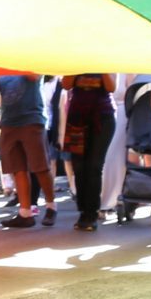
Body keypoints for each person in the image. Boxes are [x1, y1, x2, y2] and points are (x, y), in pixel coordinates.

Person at [57, 72, 118, 230]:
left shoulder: (107, 60)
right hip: (77, 118)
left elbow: (111, 87)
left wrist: (101, 65)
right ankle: (83, 211)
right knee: (79, 166)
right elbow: (66, 84)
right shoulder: (76, 58)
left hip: (103, 118)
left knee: (94, 166)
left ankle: (91, 214)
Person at [0, 73, 53, 229]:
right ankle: (25, 214)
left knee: (40, 167)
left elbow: (35, 76)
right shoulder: (0, 68)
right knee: (18, 169)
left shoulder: (28, 57)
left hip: (32, 120)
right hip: (9, 123)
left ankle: (51, 206)